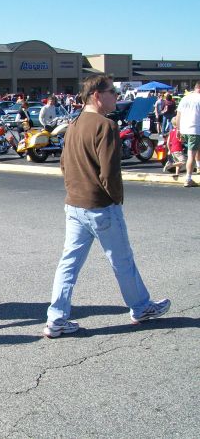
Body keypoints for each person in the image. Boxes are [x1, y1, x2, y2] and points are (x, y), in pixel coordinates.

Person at [43, 74, 171, 339]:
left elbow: (64, 165)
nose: (117, 96)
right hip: (100, 206)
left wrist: (75, 190)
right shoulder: (106, 126)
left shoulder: (74, 124)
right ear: (97, 96)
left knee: (68, 264)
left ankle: (56, 319)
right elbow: (110, 172)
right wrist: (116, 198)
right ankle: (141, 308)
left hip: (75, 205)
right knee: (122, 261)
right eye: (112, 92)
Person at [174, 81, 200, 188]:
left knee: (197, 149)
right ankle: (188, 179)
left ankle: (198, 166)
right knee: (191, 155)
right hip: (195, 129)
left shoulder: (185, 98)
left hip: (185, 129)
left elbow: (178, 115)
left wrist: (178, 129)